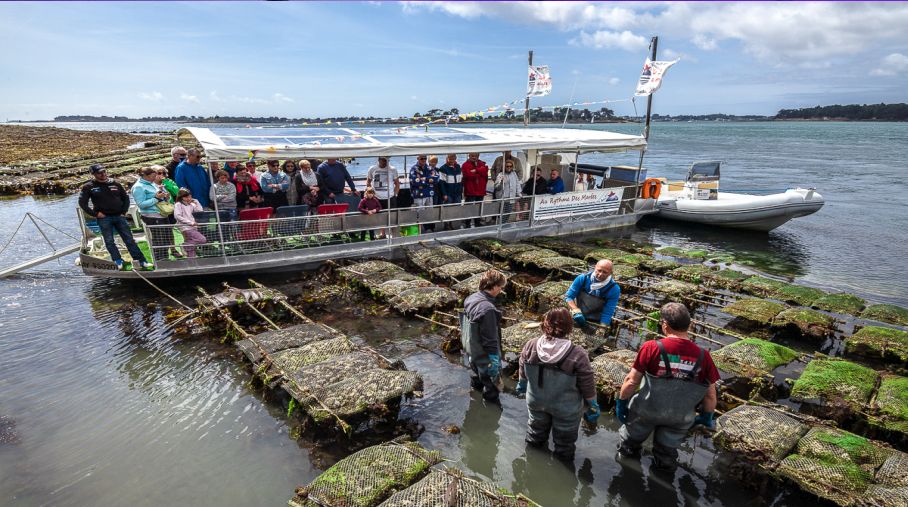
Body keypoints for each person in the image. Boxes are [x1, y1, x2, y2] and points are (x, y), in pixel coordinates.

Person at [615, 302, 719, 471]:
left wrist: (621, 404)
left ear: (665, 325)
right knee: (666, 455)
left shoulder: (651, 347)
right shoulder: (704, 356)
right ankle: (663, 481)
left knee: (628, 445)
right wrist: (706, 417)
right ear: (690, 325)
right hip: (679, 418)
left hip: (646, 412)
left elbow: (631, 381)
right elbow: (710, 396)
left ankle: (625, 474)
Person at [516, 307, 599, 462]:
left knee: (535, 435)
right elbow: (587, 383)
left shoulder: (531, 345)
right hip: (565, 409)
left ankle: (532, 464)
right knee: (564, 445)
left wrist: (522, 383)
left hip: (536, 401)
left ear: (544, 325)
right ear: (569, 328)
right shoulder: (577, 354)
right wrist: (592, 404)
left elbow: (522, 368)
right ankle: (562, 472)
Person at [79, 164, 150, 271]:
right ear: (93, 174)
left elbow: (126, 198)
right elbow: (82, 203)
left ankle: (141, 261)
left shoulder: (115, 183)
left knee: (129, 239)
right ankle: (117, 260)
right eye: (99, 172)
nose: (103, 174)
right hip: (104, 218)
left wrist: (124, 211)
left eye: (104, 171)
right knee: (109, 241)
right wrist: (96, 214)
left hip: (119, 216)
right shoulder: (89, 186)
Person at [461, 269, 507, 403]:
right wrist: (494, 361)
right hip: (484, 356)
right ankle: (490, 414)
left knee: (476, 376)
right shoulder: (488, 310)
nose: (501, 290)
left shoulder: (471, 298)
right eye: (500, 287)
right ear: (494, 286)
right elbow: (490, 339)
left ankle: (474, 398)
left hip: (472, 352)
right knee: (492, 386)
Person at [131, 166, 173, 263]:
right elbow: (141, 204)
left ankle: (165, 259)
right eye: (153, 176)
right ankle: (159, 261)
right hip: (151, 217)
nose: (155, 178)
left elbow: (161, 196)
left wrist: (166, 196)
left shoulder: (152, 184)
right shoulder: (138, 187)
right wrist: (156, 199)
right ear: (145, 176)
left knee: (167, 239)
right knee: (159, 240)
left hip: (162, 214)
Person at [565, 259, 620, 329]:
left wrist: (602, 327)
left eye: (605, 272)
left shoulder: (614, 289)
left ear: (610, 273)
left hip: (596, 320)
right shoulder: (583, 278)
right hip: (578, 314)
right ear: (595, 267)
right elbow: (569, 296)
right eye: (599, 270)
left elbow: (608, 312)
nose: (600, 274)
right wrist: (575, 310)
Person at [153, 165, 183, 258]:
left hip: (169, 210)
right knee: (161, 233)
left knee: (170, 230)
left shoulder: (168, 181)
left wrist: (166, 182)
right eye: (159, 173)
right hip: (158, 212)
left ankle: (173, 250)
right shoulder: (151, 185)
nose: (162, 175)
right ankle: (162, 253)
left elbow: (176, 192)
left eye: (164, 173)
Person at [173, 188, 208, 258]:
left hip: (193, 227)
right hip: (186, 227)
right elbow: (177, 216)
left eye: (189, 196)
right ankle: (184, 246)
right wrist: (190, 222)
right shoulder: (178, 204)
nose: (188, 198)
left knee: (192, 249)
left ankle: (192, 262)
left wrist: (197, 202)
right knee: (202, 239)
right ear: (181, 197)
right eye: (186, 197)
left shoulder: (191, 204)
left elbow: (200, 211)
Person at [410, 155, 439, 232]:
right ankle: (419, 230)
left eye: (425, 158)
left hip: (429, 194)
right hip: (419, 195)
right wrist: (429, 180)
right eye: (421, 158)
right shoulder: (414, 169)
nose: (423, 160)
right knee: (419, 212)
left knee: (430, 212)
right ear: (418, 158)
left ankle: (430, 228)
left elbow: (436, 178)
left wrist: (424, 179)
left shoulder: (430, 168)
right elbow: (415, 181)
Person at [462, 152, 488, 227]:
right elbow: (469, 175)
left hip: (480, 190)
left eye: (476, 156)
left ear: (478, 156)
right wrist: (480, 171)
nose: (474, 157)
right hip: (471, 191)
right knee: (469, 207)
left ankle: (477, 222)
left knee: (479, 207)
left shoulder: (482, 164)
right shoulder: (465, 165)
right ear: (469, 155)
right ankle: (467, 223)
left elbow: (485, 171)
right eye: (472, 156)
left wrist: (476, 170)